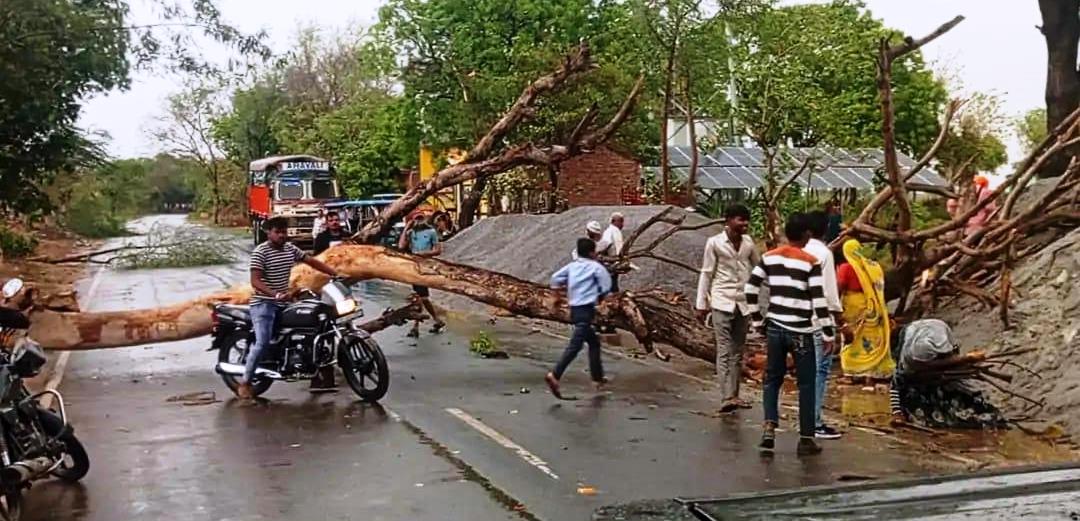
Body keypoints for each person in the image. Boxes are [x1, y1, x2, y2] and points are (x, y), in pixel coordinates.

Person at [745, 213, 835, 456]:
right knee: (806, 384)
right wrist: (828, 332)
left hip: (775, 326)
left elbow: (750, 288)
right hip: (801, 331)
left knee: (772, 379)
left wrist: (757, 320)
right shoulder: (810, 261)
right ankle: (806, 438)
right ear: (806, 234)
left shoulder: (769, 257)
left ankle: (768, 428)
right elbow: (819, 299)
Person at [241, 216, 340, 400]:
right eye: (277, 232)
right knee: (262, 342)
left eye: (284, 231)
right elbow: (255, 281)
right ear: (268, 233)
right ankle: (245, 382)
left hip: (283, 301)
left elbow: (310, 260)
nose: (281, 235)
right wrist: (274, 294)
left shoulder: (290, 249)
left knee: (313, 328)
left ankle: (315, 375)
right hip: (263, 304)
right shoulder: (260, 252)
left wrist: (334, 273)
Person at [694, 203, 760, 414]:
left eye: (746, 219)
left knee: (738, 351)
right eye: (740, 219)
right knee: (724, 350)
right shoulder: (714, 243)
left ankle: (735, 395)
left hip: (743, 303)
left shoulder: (749, 243)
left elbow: (758, 268)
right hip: (721, 301)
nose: (745, 224)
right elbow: (706, 273)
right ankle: (725, 396)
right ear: (728, 221)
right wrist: (701, 304)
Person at [889, 319, 1005, 428]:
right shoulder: (909, 359)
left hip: (929, 331)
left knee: (955, 386)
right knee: (908, 383)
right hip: (918, 343)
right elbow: (896, 385)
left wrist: (963, 360)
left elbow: (949, 357)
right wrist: (897, 413)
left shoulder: (940, 333)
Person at [544, 238, 612, 399]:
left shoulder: (572, 267)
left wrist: (555, 296)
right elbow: (607, 286)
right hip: (587, 310)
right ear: (591, 252)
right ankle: (555, 374)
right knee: (575, 346)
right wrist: (603, 300)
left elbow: (555, 278)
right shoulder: (596, 268)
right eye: (595, 251)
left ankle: (597, 377)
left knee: (594, 342)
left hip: (574, 310)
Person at [803, 211, 845, 440]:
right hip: (819, 320)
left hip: (795, 319)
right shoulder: (824, 253)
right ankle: (814, 422)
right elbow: (829, 294)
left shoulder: (796, 250)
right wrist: (837, 324)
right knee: (819, 370)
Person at [837, 239, 895, 380]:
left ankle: (851, 374)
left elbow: (839, 287)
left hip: (853, 307)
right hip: (871, 307)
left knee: (852, 339)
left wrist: (835, 309)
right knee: (870, 339)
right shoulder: (872, 267)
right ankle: (870, 374)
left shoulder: (846, 268)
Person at [398, 213, 447, 338]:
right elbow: (401, 246)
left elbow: (437, 250)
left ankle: (417, 326)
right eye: (416, 218)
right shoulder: (411, 233)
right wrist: (406, 228)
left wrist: (423, 254)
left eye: (421, 218)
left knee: (421, 297)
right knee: (421, 296)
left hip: (425, 266)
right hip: (414, 266)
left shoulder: (431, 232)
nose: (419, 221)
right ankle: (436, 321)